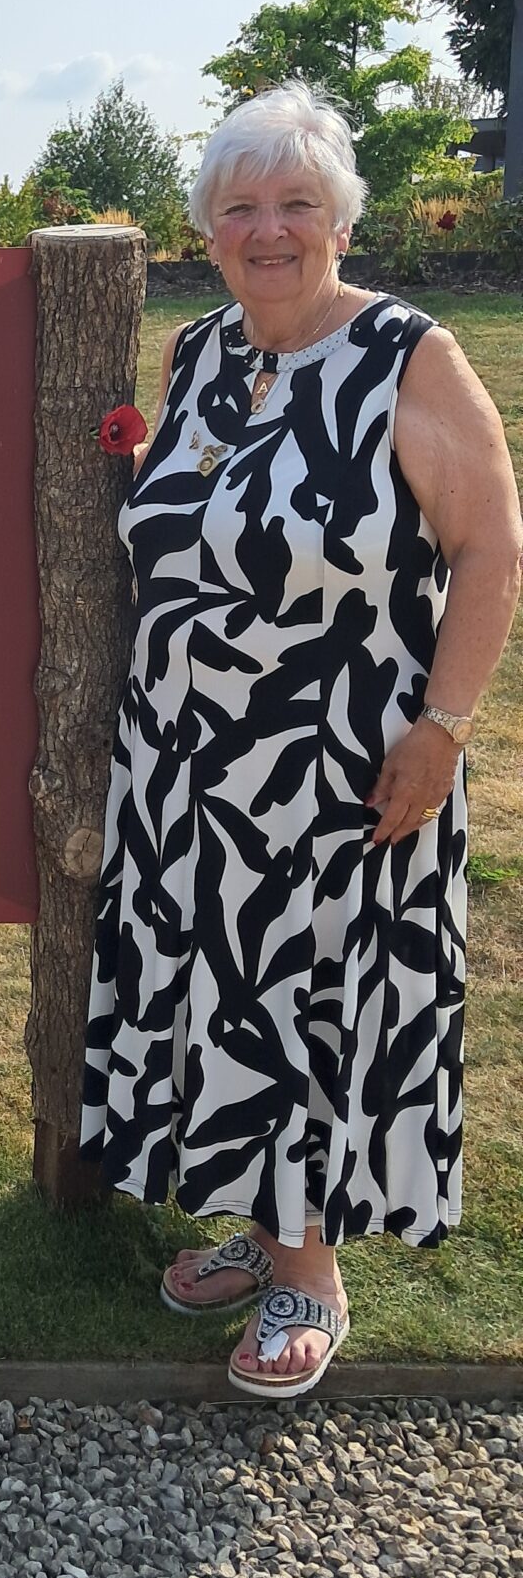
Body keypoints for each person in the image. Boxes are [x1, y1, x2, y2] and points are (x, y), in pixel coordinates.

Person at [81, 81, 522, 1401]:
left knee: (303, 1003)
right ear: (205, 229)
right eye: (240, 207)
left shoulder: (406, 356)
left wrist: (444, 728)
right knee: (214, 996)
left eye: (296, 205)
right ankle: (260, 1223)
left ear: (342, 218)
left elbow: (492, 544)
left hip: (335, 762)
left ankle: (309, 1277)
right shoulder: (203, 353)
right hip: (187, 760)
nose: (267, 229)